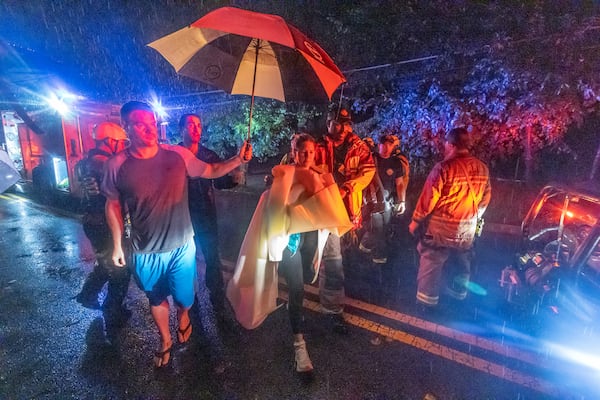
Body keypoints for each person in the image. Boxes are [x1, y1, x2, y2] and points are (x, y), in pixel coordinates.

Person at [102, 101, 252, 368]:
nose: (149, 128)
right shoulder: (117, 164)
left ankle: (184, 315)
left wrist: (238, 160)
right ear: (126, 127)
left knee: (186, 298)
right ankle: (165, 340)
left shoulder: (177, 154)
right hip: (145, 249)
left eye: (152, 122)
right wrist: (116, 245)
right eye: (140, 123)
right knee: (156, 297)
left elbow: (211, 171)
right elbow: (112, 203)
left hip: (183, 245)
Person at [226, 133, 353, 373]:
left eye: (311, 152)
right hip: (290, 243)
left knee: (307, 278)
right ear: (293, 151)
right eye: (302, 151)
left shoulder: (319, 175)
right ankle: (299, 343)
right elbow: (272, 205)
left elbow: (329, 205)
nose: (307, 156)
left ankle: (293, 308)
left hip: (311, 242)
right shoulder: (284, 176)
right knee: (297, 289)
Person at [408, 127, 491, 311]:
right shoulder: (482, 168)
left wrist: (415, 222)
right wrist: (469, 218)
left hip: (440, 231)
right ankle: (457, 300)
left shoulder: (444, 167)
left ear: (451, 145)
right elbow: (485, 200)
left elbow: (428, 199)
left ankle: (426, 305)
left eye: (446, 143)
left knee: (431, 262)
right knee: (461, 263)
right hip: (466, 232)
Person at [314, 107, 375, 333]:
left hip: (349, 213)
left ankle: (334, 297)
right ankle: (332, 310)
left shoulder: (359, 147)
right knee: (333, 261)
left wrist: (348, 187)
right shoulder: (318, 147)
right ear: (328, 123)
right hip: (327, 213)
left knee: (342, 257)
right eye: (337, 123)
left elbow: (367, 172)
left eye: (346, 124)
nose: (342, 128)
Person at [74, 121, 132, 337]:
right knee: (120, 270)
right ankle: (113, 313)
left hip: (91, 221)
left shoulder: (84, 162)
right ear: (109, 141)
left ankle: (88, 294)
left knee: (106, 262)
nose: (121, 146)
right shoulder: (106, 164)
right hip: (106, 223)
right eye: (119, 142)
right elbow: (122, 192)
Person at [178, 113, 237, 317]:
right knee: (186, 262)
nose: (196, 129)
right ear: (181, 129)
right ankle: (189, 303)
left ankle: (217, 300)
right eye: (191, 125)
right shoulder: (175, 155)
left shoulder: (208, 155)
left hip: (205, 214)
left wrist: (234, 179)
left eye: (199, 125)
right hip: (181, 217)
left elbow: (220, 181)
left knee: (212, 258)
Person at [360, 133, 408, 265]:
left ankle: (363, 248)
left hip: (387, 202)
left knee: (384, 229)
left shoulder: (396, 163)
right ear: (379, 145)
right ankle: (379, 259)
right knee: (378, 230)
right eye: (384, 144)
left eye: (390, 145)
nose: (386, 148)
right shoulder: (370, 159)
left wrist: (402, 201)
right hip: (372, 201)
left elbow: (399, 183)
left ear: (393, 147)